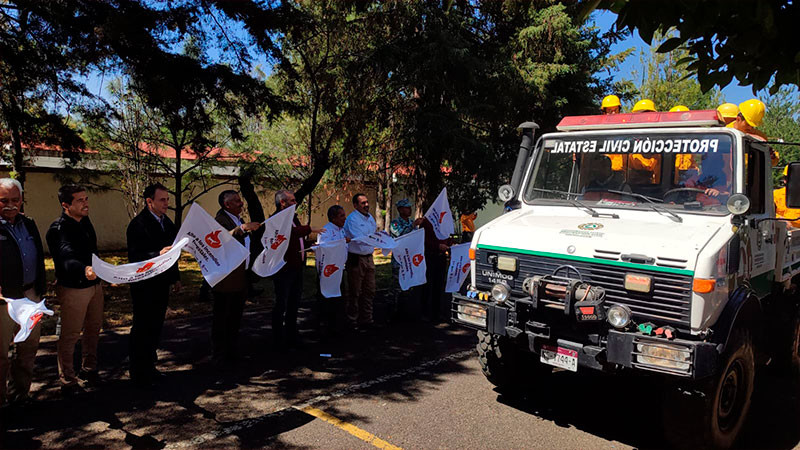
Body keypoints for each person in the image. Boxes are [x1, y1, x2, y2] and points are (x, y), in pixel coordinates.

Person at [46, 184, 103, 396]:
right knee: (70, 335)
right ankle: (67, 380)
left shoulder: (86, 222)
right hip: (74, 288)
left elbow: (93, 249)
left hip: (94, 285)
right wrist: (83, 269)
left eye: (86, 199)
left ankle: (89, 369)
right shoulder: (57, 229)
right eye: (80, 200)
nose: (86, 203)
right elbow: (65, 256)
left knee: (93, 329)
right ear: (66, 205)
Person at [125, 183, 180, 387]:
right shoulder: (138, 225)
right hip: (144, 284)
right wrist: (157, 255)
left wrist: (176, 277)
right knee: (142, 326)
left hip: (162, 282)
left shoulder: (167, 222)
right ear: (150, 202)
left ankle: (150, 364)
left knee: (156, 325)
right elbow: (135, 257)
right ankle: (138, 369)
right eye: (162, 200)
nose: (167, 204)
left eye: (167, 199)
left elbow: (173, 252)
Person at [0, 178, 46, 407]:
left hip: (30, 297)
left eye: (15, 200)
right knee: (0, 355)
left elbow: (38, 256)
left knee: (28, 348)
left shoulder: (28, 223)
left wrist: (41, 291)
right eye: (4, 200)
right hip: (3, 302)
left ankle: (20, 395)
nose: (10, 205)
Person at [212, 190, 261, 364]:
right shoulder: (220, 220)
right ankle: (220, 354)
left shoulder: (236, 219)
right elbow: (221, 239)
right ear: (227, 204)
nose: (241, 203)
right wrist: (242, 229)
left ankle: (231, 351)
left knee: (234, 316)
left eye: (240, 200)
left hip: (240, 276)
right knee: (223, 316)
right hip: (226, 279)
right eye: (237, 201)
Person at [271, 190, 316, 347]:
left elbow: (297, 240)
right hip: (284, 268)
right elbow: (290, 234)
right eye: (292, 201)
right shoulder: (276, 218)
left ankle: (291, 334)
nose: (295, 203)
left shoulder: (293, 218)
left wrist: (311, 246)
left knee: (294, 303)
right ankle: (278, 337)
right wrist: (309, 228)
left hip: (296, 267)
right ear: (282, 202)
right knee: (281, 303)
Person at [344, 193, 378, 329]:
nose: (366, 205)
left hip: (369, 257)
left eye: (367, 202)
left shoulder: (370, 218)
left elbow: (374, 235)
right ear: (355, 205)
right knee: (355, 291)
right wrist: (374, 239)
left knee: (369, 289)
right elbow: (360, 238)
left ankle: (367, 319)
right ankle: (352, 320)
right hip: (356, 259)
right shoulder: (352, 220)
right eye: (362, 203)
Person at [315, 205, 349, 334]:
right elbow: (325, 248)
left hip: (339, 270)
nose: (344, 218)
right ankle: (324, 328)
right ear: (333, 218)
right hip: (328, 272)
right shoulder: (326, 231)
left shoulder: (342, 230)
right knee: (326, 300)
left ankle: (337, 327)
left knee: (339, 299)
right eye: (341, 216)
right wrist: (341, 242)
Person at [389, 199, 424, 321]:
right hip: (399, 260)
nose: (409, 210)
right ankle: (394, 312)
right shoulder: (395, 223)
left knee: (408, 288)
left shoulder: (410, 222)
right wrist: (413, 225)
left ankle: (406, 313)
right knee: (397, 288)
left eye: (410, 207)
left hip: (410, 260)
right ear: (400, 210)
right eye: (406, 208)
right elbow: (400, 236)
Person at [420, 212, 453, 324]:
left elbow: (447, 237)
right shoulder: (426, 222)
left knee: (439, 285)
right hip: (430, 256)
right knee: (428, 285)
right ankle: (424, 312)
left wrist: (451, 245)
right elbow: (423, 240)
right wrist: (437, 246)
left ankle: (437, 313)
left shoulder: (445, 222)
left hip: (441, 258)